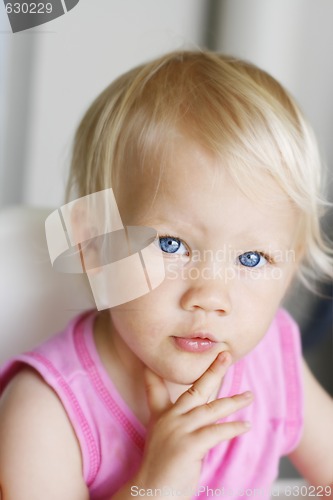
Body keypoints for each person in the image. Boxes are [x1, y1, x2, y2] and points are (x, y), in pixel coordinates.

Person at [0, 50, 332, 500]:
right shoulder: (45, 412)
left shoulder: (273, 358)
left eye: (252, 258)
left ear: (289, 266)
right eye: (172, 245)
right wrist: (155, 487)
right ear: (92, 243)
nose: (211, 296)